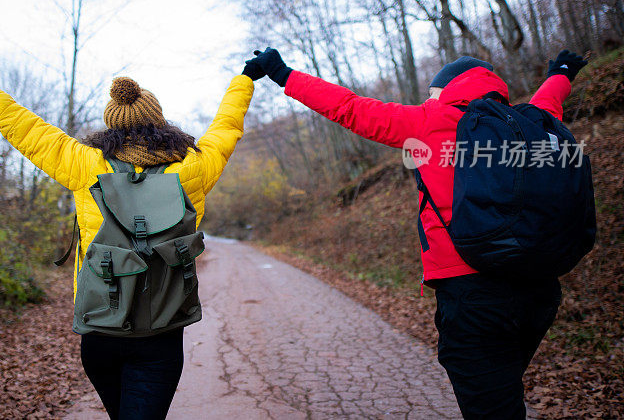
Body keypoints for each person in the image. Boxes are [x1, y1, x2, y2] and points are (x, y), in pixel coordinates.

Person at [0, 36, 264, 420]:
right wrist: (246, 77)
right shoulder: (195, 167)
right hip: (162, 333)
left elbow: (20, 124)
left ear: (111, 126)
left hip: (101, 331)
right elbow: (227, 125)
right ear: (160, 121)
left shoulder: (84, 165)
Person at [245, 47, 587, 419]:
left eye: (431, 92)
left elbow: (350, 108)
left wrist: (282, 73)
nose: (427, 97)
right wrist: (562, 73)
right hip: (541, 288)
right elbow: (548, 102)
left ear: (445, 90)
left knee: (492, 406)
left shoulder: (431, 119)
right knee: (501, 391)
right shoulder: (531, 122)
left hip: (474, 291)